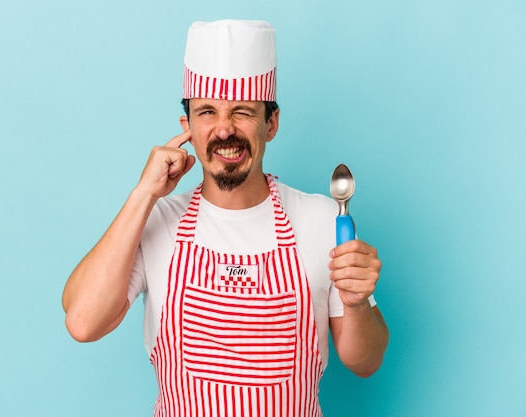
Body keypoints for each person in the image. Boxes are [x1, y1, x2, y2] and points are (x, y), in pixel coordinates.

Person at [62, 19, 389, 416]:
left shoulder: (321, 219)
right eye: (207, 112)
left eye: (242, 112)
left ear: (271, 124)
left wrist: (356, 305)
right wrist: (143, 194)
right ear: (188, 129)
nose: (224, 129)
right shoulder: (157, 219)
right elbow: (82, 322)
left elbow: (365, 361)